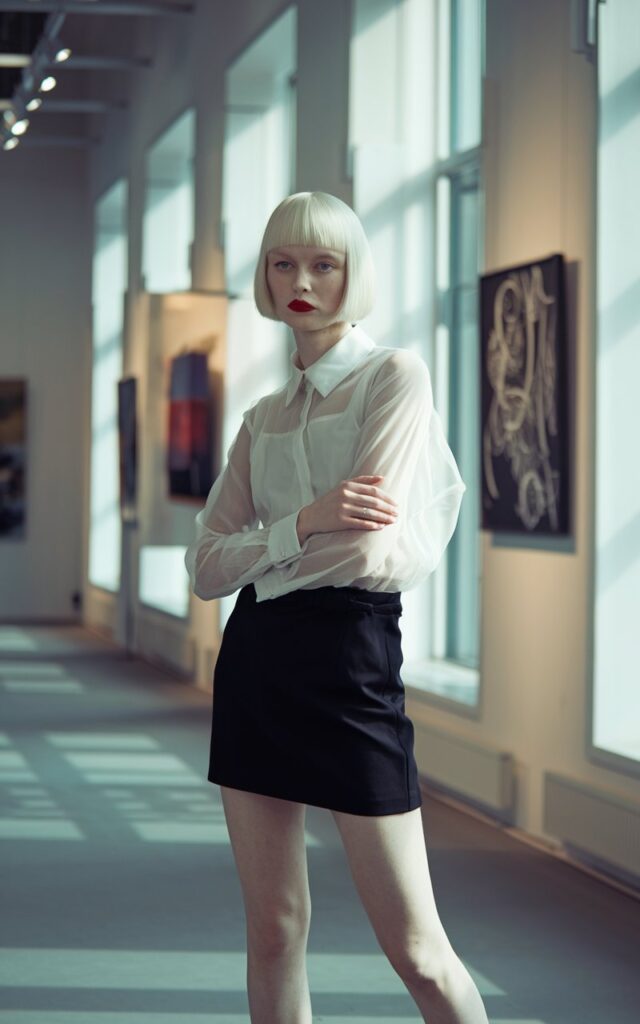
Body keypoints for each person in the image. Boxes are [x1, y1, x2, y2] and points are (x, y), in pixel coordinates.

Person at [185, 191, 489, 1024]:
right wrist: (305, 521)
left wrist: (272, 549)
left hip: (349, 661)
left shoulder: (395, 377)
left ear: (353, 275)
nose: (302, 282)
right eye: (284, 263)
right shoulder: (263, 419)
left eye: (324, 265)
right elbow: (205, 567)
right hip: (256, 667)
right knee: (274, 930)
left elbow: (368, 553)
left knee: (420, 951)